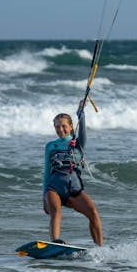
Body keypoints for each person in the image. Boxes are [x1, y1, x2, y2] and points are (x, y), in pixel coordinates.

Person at [43, 103, 103, 246]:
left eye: (63, 126)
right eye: (57, 126)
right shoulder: (50, 146)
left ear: (71, 126)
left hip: (73, 188)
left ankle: (100, 248)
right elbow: (46, 171)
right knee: (55, 211)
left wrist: (81, 113)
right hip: (53, 187)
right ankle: (55, 242)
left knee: (93, 212)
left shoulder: (78, 144)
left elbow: (83, 130)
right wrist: (44, 195)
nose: (60, 129)